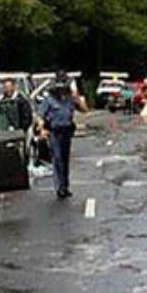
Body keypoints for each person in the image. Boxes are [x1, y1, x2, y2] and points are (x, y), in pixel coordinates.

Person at [37, 71, 87, 199]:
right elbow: (40, 116)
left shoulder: (70, 98)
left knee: (64, 160)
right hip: (54, 132)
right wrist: (41, 129)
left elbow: (84, 110)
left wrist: (77, 99)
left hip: (67, 132)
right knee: (57, 159)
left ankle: (65, 186)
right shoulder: (49, 99)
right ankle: (59, 188)